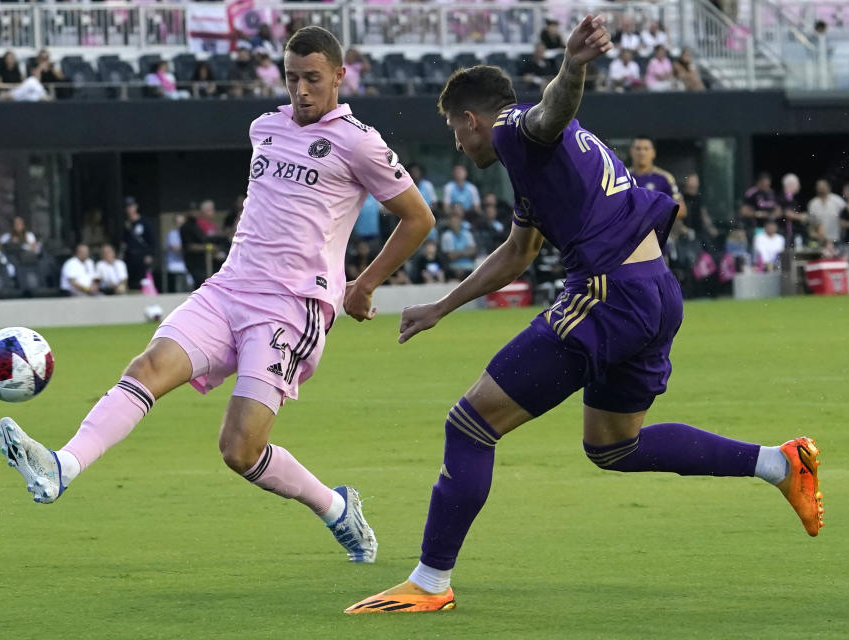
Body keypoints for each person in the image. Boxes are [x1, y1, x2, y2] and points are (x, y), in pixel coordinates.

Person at [347, 14, 823, 614]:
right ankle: (781, 463)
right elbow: (518, 253)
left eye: (454, 131)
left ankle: (430, 582)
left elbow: (551, 111)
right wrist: (444, 305)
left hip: (607, 294)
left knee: (469, 425)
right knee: (613, 447)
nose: (458, 146)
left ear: (472, 120)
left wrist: (572, 66)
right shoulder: (535, 170)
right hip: (653, 291)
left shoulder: (516, 131)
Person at [0, 26, 434, 567]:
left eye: (313, 79)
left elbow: (418, 218)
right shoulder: (264, 127)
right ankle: (62, 466)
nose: (300, 90)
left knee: (239, 449)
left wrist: (363, 284)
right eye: (292, 77)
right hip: (228, 287)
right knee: (149, 366)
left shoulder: (359, 142)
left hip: (291, 307)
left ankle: (336, 508)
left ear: (340, 76)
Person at [628, 136, 686, 219]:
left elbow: (681, 210)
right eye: (638, 148)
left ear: (653, 153)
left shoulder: (665, 178)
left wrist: (654, 213)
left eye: (646, 149)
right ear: (631, 152)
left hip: (655, 230)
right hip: (628, 230)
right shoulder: (623, 176)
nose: (642, 153)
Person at [122, 196, 155, 291]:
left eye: (131, 206)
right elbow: (124, 241)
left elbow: (151, 240)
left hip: (142, 256)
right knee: (131, 281)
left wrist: (150, 254)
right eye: (127, 207)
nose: (129, 209)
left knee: (143, 281)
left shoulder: (144, 222)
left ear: (135, 207)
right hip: (129, 256)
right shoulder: (125, 224)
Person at [440, 207, 477, 280]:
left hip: (470, 266)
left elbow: (473, 251)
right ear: (449, 223)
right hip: (454, 267)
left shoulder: (467, 234)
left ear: (460, 221)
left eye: (456, 221)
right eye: (453, 221)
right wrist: (466, 252)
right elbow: (451, 256)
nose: (455, 223)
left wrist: (458, 254)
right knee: (459, 273)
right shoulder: (446, 236)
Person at [807, 178, 845, 245]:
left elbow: (846, 216)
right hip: (820, 240)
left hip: (836, 238)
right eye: (819, 186)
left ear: (829, 187)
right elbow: (811, 222)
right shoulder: (813, 203)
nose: (821, 188)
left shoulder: (837, 200)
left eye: (823, 186)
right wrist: (813, 233)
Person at [165, 213, 190, 291]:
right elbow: (175, 248)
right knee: (178, 290)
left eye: (182, 222)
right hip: (176, 266)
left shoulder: (187, 234)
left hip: (188, 267)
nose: (180, 225)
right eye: (178, 222)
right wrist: (190, 247)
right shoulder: (172, 234)